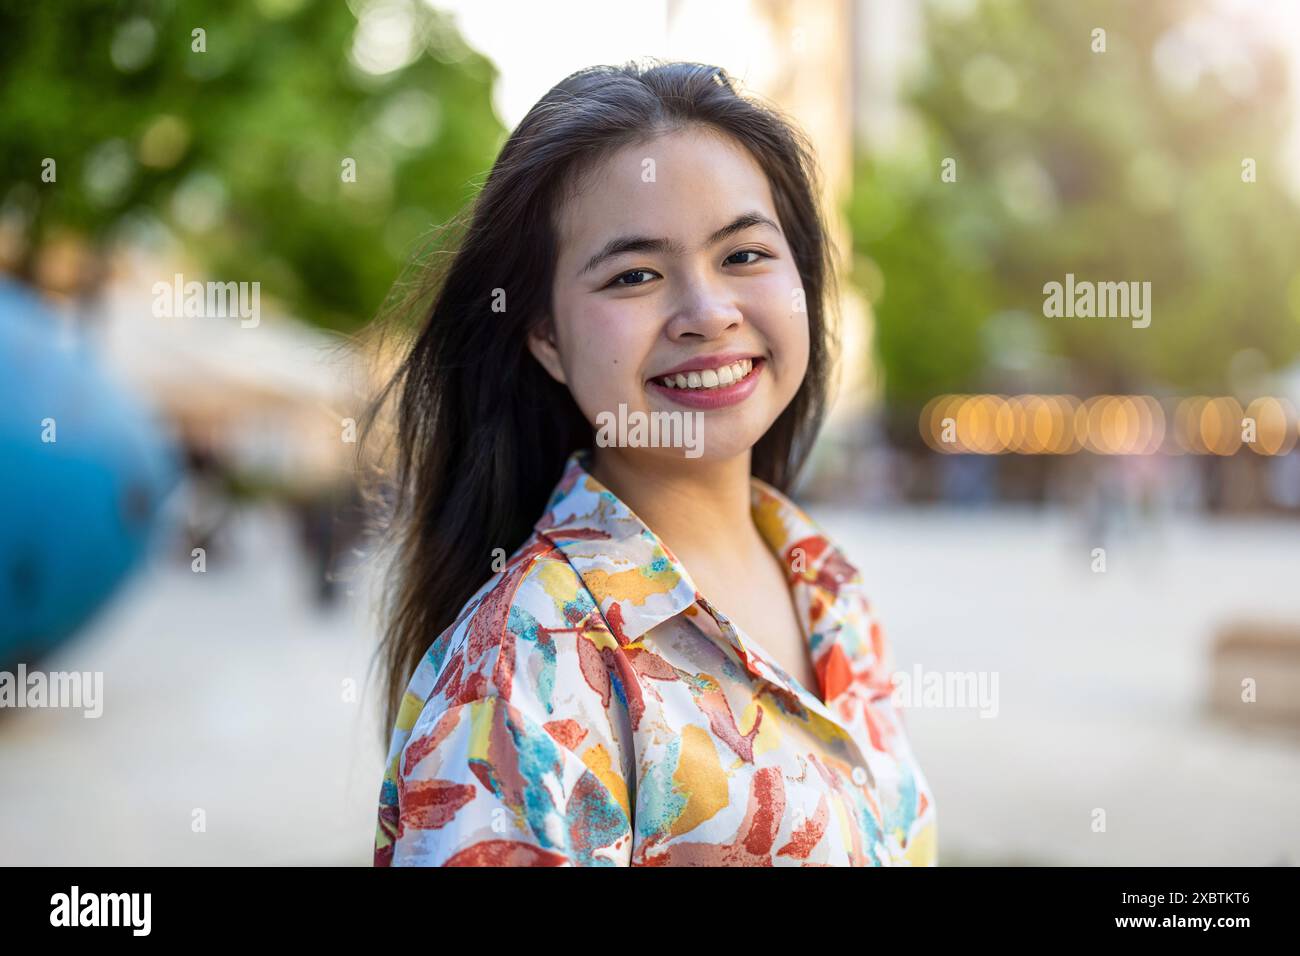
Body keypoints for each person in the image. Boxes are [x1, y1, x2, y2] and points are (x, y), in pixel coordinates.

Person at [367, 60, 937, 866]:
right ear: (548, 339)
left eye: (744, 255)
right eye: (635, 275)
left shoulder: (828, 584)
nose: (707, 314)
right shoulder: (524, 672)